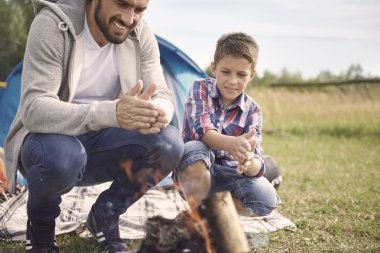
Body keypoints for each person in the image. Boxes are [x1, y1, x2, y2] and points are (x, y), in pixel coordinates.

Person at [4, 0, 184, 252]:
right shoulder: (51, 24)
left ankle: (105, 214)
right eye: (122, 4)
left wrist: (158, 112)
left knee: (170, 143)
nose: (129, 18)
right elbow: (35, 109)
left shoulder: (141, 33)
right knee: (62, 156)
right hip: (49, 146)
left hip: (103, 145)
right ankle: (42, 228)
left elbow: (161, 92)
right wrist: (112, 112)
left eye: (139, 10)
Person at [174, 32, 279, 216]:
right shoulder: (200, 89)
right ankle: (198, 216)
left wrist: (248, 162)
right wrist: (230, 143)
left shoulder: (253, 111)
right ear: (214, 68)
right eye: (225, 72)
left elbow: (256, 162)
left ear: (252, 75)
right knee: (194, 148)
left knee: (266, 197)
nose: (232, 81)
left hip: (231, 176)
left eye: (241, 74)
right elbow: (202, 130)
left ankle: (214, 212)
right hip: (195, 172)